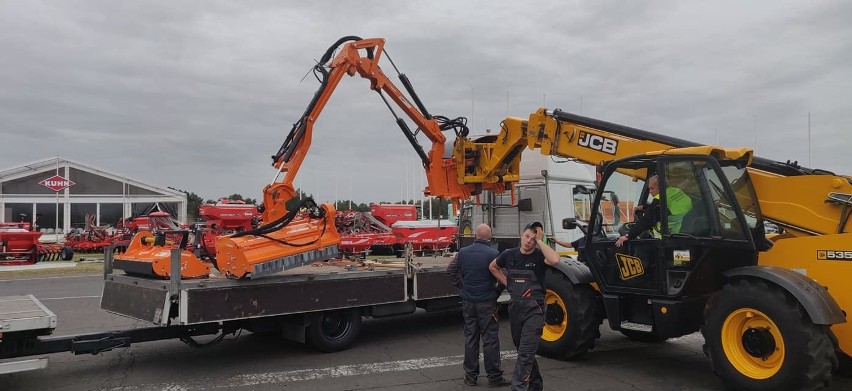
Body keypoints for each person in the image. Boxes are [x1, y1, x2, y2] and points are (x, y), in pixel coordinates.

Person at [488, 221, 559, 391]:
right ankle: (535, 385)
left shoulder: (539, 256)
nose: (529, 241)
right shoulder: (508, 255)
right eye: (527, 236)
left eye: (533, 239)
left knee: (526, 351)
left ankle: (518, 388)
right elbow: (493, 267)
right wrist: (508, 284)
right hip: (516, 307)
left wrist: (541, 241)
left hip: (535, 309)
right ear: (521, 235)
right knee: (522, 348)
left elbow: (555, 260)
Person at [446, 224, 509, 387]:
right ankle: (494, 377)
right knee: (490, 339)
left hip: (468, 301)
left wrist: (462, 287)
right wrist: (497, 291)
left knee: (471, 337)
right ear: (490, 237)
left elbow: (450, 271)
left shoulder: (463, 253)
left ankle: (471, 376)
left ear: (475, 236)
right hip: (487, 301)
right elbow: (504, 276)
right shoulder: (494, 254)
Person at [616, 175, 692, 247]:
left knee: (642, 250)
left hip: (668, 238)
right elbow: (663, 208)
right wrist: (644, 207)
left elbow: (646, 221)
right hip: (685, 233)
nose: (650, 191)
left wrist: (628, 236)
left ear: (661, 187)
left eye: (652, 188)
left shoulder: (659, 199)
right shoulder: (676, 191)